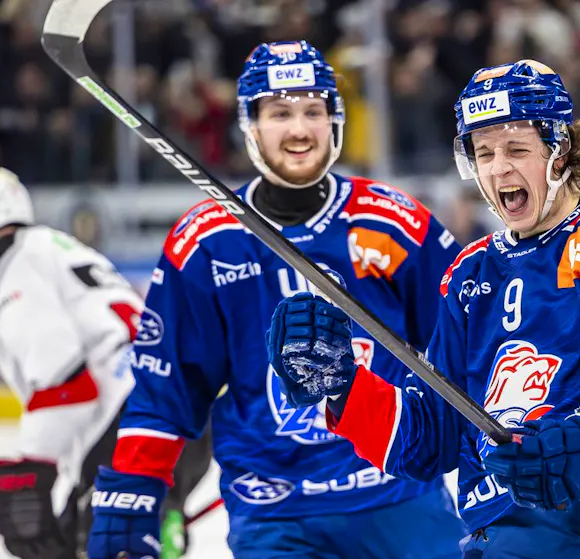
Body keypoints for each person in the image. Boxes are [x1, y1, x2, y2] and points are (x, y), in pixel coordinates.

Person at [267, 59, 580, 558]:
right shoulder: (470, 274)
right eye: (483, 153)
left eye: (516, 149)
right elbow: (433, 435)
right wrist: (344, 388)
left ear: (560, 149)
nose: (498, 168)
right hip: (495, 531)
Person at [85, 40, 467, 559]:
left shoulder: (393, 223)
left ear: (334, 120)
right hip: (275, 515)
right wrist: (133, 490)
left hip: (400, 498)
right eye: (280, 113)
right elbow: (167, 386)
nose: (299, 130)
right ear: (251, 125)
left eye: (313, 111)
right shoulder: (205, 243)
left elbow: (468, 343)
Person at [0, 167, 210, 559]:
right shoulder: (52, 248)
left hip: (130, 430)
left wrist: (29, 468)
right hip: (179, 419)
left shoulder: (12, 266)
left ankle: (150, 526)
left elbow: (67, 384)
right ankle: (160, 521)